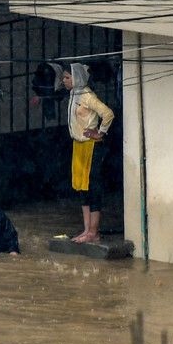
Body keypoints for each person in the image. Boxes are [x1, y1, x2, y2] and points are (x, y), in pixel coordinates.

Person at [63, 62, 114, 244]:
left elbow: (108, 113)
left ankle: (94, 231)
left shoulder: (87, 96)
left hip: (91, 146)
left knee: (93, 186)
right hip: (78, 145)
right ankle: (87, 230)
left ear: (77, 78)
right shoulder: (74, 94)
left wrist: (100, 132)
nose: (64, 80)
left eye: (67, 77)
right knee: (81, 187)